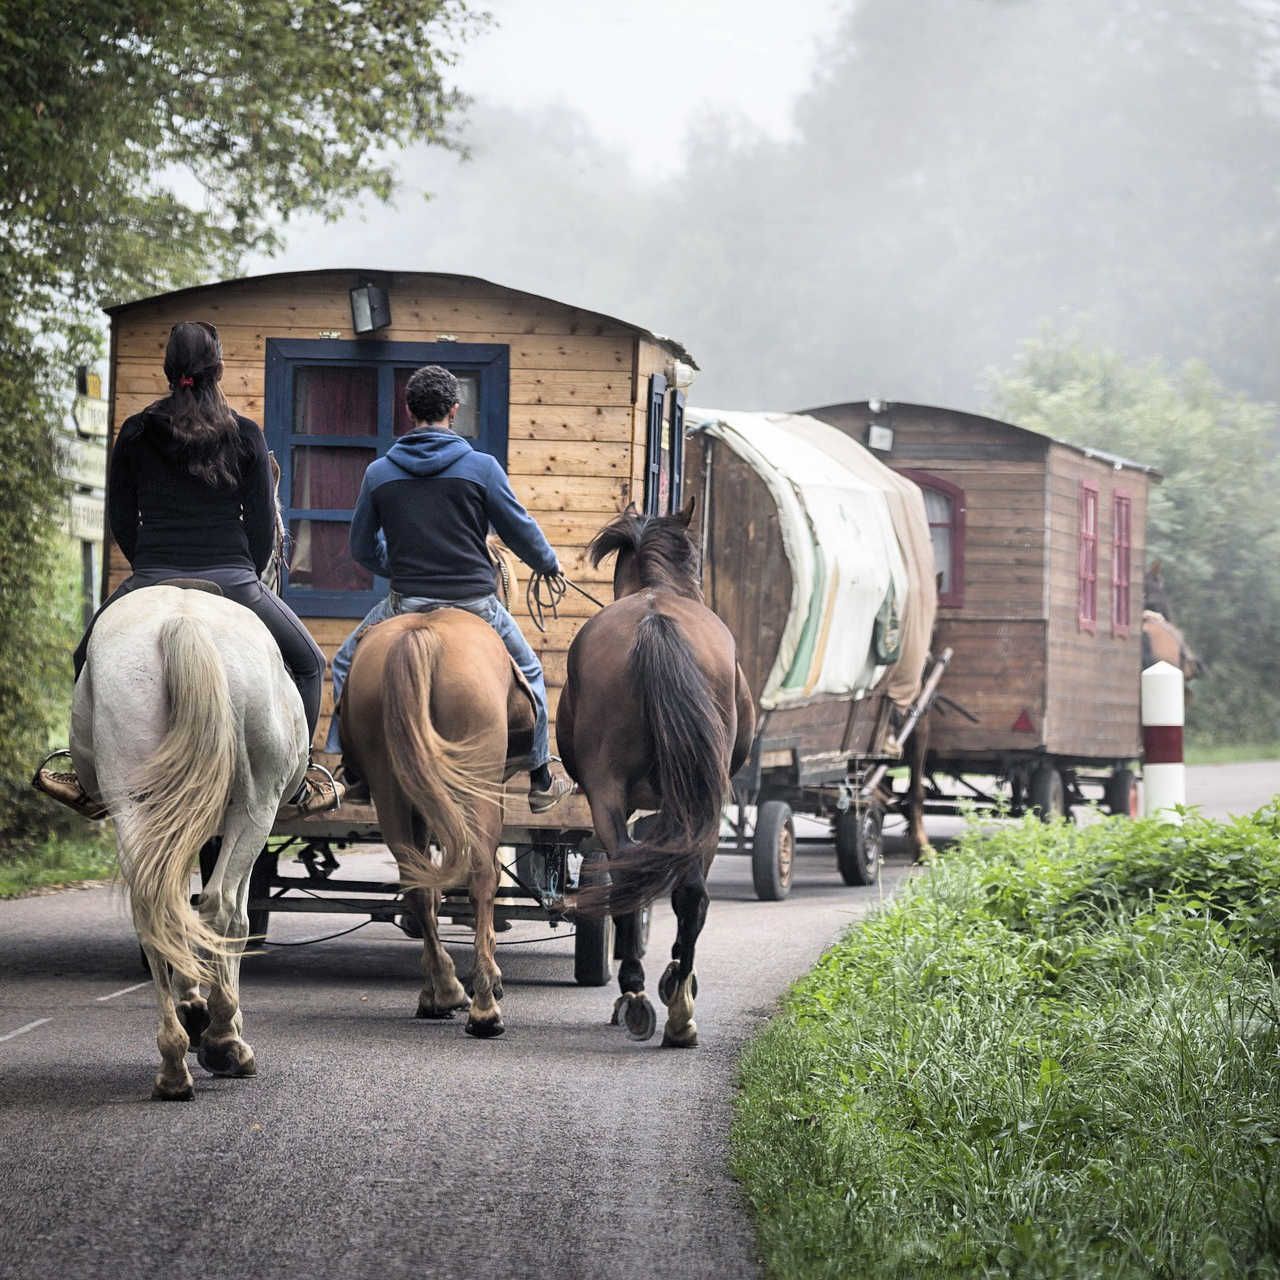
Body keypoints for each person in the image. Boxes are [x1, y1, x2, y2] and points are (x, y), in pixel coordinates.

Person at [36, 321, 341, 819]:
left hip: (152, 574)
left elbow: (120, 516)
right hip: (235, 580)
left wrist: (147, 570)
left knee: (85, 656)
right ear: (217, 368)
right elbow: (264, 526)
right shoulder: (245, 434)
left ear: (168, 369)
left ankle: (88, 778)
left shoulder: (136, 431)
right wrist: (245, 568)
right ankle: (300, 774)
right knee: (310, 663)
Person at [327, 364, 572, 812]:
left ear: (409, 411)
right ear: (454, 411)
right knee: (531, 672)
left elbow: (361, 547)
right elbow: (517, 529)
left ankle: (354, 770)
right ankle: (540, 776)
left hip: (405, 603)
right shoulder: (482, 468)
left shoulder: (379, 473)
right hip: (476, 605)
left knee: (345, 663)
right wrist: (547, 562)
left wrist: (394, 563)